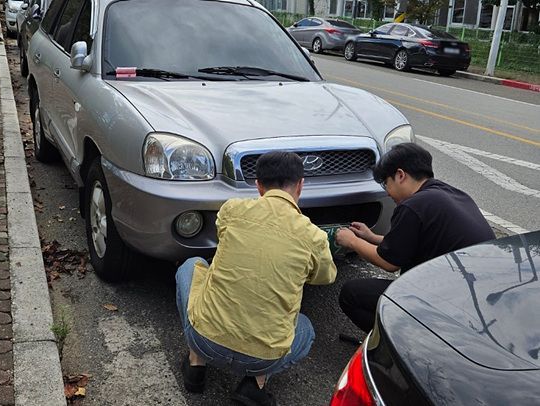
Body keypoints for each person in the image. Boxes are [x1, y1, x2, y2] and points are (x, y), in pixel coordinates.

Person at [175, 151, 337, 406]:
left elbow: (223, 237)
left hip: (206, 342)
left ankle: (196, 363)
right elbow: (324, 277)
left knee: (191, 265)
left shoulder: (232, 209)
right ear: (300, 185)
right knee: (305, 328)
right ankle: (254, 384)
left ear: (258, 185)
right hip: (262, 359)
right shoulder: (313, 237)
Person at [335, 142, 495, 332]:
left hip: (453, 306)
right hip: (482, 298)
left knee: (351, 295)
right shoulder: (447, 194)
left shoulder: (412, 205)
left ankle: (402, 343)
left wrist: (352, 241)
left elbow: (389, 262)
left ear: (400, 175)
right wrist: (371, 237)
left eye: (386, 183)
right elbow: (412, 243)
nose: (387, 191)